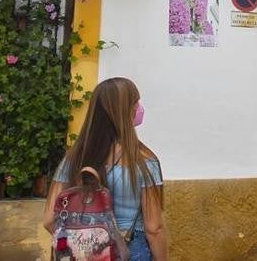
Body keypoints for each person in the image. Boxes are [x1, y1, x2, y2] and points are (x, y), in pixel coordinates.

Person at [44, 77, 168, 260]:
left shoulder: (73, 159)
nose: (139, 107)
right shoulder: (144, 162)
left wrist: (86, 243)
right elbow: (154, 228)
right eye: (135, 102)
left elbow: (49, 220)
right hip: (130, 250)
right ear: (124, 111)